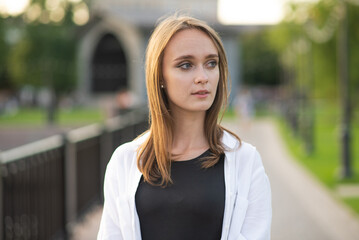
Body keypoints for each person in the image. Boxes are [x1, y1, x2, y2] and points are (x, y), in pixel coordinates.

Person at [97, 14, 272, 240]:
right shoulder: (125, 161)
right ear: (160, 76)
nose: (203, 77)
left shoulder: (246, 161)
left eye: (211, 63)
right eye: (186, 65)